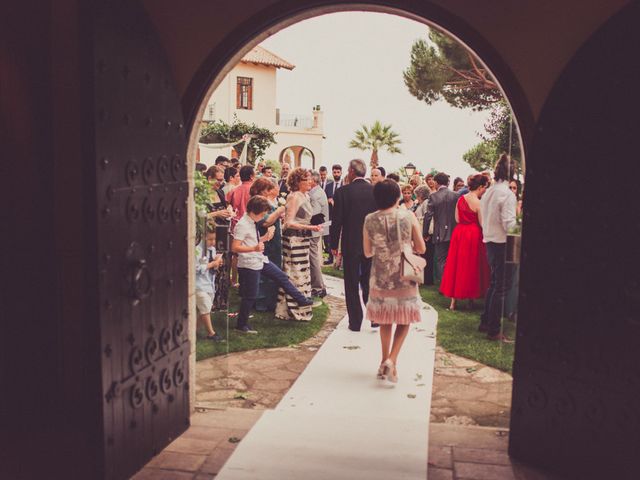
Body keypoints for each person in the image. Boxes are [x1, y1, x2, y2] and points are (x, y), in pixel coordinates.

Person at [363, 179, 426, 383]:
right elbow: (422, 248)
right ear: (398, 195)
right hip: (403, 276)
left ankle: (384, 360)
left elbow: (367, 252)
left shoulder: (369, 219)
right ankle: (392, 359)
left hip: (380, 277)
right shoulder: (408, 216)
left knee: (385, 319)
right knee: (404, 319)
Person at [232, 195, 314, 333]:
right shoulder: (242, 225)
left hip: (259, 259)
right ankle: (241, 325)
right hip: (249, 264)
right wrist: (254, 248)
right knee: (250, 296)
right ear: (255, 211)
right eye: (263, 212)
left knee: (281, 276)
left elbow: (253, 241)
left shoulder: (252, 222)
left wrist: (265, 238)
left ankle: (302, 300)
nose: (264, 215)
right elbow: (235, 247)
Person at [330, 159, 377, 331]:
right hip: (371, 243)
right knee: (369, 280)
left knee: (351, 283)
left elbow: (337, 221)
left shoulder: (343, 192)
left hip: (351, 243)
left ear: (351, 171)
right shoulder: (374, 191)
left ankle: (355, 322)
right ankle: (375, 317)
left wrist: (334, 244)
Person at [276, 168, 323, 321]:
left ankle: (303, 304)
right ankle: (291, 308)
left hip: (303, 239)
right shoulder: (295, 197)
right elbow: (288, 222)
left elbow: (303, 218)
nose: (310, 182)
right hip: (293, 240)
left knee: (303, 272)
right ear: (297, 182)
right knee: (294, 272)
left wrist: (314, 222)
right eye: (306, 179)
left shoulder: (305, 195)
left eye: (310, 179)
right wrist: (310, 227)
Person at [479, 154, 517, 342]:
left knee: (494, 284)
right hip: (503, 244)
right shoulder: (507, 194)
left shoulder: (489, 192)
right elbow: (509, 224)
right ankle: (494, 330)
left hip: (490, 242)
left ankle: (485, 322)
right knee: (501, 287)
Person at [440, 174, 490, 310]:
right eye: (485, 187)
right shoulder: (479, 203)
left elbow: (457, 218)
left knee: (456, 265)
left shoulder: (460, 199)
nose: (485, 190)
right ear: (480, 187)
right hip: (473, 234)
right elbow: (482, 223)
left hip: (459, 233)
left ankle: (453, 302)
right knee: (472, 266)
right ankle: (471, 299)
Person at [250, 179, 286, 312]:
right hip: (265, 240)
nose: (268, 191)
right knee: (264, 273)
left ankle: (271, 301)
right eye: (267, 189)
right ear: (262, 190)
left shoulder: (265, 201)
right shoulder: (258, 202)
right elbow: (265, 222)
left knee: (273, 270)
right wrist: (279, 211)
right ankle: (261, 303)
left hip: (273, 240)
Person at [423, 172, 458, 283]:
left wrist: (425, 232)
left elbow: (428, 216)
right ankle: (452, 282)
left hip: (439, 233)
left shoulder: (433, 196)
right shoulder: (456, 195)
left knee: (441, 259)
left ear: (437, 182)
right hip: (455, 231)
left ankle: (444, 284)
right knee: (452, 259)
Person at [195, 227, 224, 341]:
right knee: (205, 307)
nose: (213, 242)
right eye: (210, 239)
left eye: (214, 239)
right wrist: (212, 264)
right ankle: (211, 333)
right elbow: (196, 268)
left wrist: (217, 263)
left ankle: (193, 330)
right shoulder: (197, 251)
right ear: (203, 237)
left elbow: (213, 267)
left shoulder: (212, 250)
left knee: (205, 309)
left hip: (209, 284)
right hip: (198, 284)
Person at [308, 170, 329, 297]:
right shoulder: (315, 192)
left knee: (313, 258)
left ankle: (318, 287)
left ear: (313, 181)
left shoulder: (315, 194)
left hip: (313, 229)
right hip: (315, 229)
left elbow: (312, 214)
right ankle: (318, 285)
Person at [413, 185, 434, 285]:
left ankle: (427, 279)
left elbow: (427, 217)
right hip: (421, 231)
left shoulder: (426, 203)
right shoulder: (420, 204)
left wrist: (425, 233)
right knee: (424, 255)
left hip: (425, 232)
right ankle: (424, 277)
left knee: (427, 256)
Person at [324, 164, 343, 264]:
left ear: (341, 172)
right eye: (334, 172)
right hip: (330, 215)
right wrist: (328, 200)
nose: (336, 174)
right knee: (330, 236)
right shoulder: (328, 186)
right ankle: (330, 258)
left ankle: (339, 260)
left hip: (341, 215)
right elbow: (324, 199)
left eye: (338, 172)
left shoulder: (345, 185)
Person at [228, 165, 255, 232]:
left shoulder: (234, 190)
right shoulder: (256, 190)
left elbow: (227, 205)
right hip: (251, 224)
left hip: (236, 224)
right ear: (251, 176)